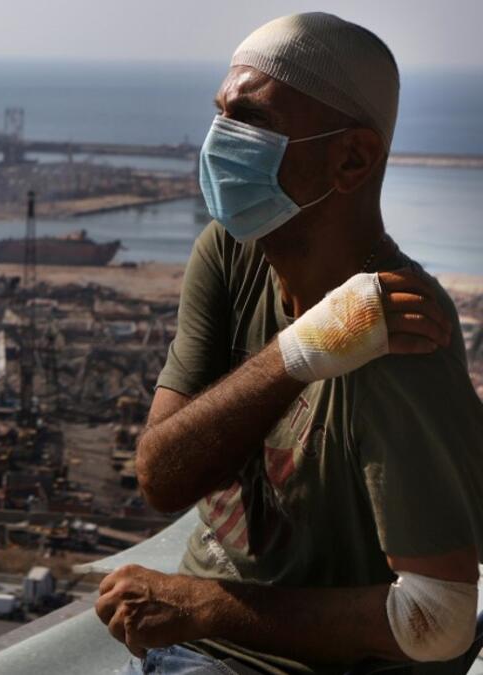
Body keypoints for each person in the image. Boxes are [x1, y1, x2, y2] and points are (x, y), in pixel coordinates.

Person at [96, 12, 483, 675]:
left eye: (252, 121)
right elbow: (162, 475)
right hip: (181, 646)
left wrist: (202, 604)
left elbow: (437, 619)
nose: (220, 141)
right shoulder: (231, 251)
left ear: (352, 157)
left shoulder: (402, 332)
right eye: (221, 114)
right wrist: (298, 352)